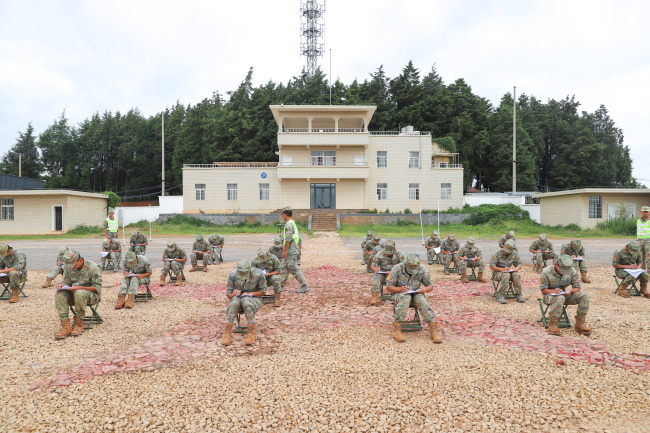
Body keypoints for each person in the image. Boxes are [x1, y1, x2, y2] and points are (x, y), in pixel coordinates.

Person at [386, 253, 442, 344]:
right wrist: (400, 289)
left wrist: (424, 289)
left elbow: (430, 286)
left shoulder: (422, 269)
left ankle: (433, 329)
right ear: (405, 264)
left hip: (416, 294)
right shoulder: (397, 269)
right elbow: (388, 287)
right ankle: (397, 329)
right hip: (399, 295)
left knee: (420, 299)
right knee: (406, 297)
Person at [54, 250, 102, 339]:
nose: (72, 268)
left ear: (80, 260)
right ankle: (66, 326)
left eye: (73, 265)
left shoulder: (93, 267)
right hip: (75, 294)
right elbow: (67, 283)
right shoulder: (69, 268)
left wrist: (78, 288)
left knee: (79, 293)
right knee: (59, 294)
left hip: (92, 296)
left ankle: (79, 324)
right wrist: (62, 286)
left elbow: (97, 287)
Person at [540, 254, 591, 336]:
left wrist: (570, 291)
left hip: (565, 295)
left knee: (584, 296)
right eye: (562, 269)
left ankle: (580, 323)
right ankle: (553, 324)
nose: (564, 272)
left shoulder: (572, 271)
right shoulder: (546, 271)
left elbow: (577, 287)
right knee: (559, 298)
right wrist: (553, 291)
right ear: (556, 265)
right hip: (550, 296)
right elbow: (543, 291)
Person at [221, 260, 267, 346]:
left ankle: (251, 331)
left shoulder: (258, 274)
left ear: (250, 269)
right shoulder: (233, 275)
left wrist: (249, 294)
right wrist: (234, 294)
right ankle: (227, 331)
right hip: (238, 298)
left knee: (246, 301)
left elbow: (263, 292)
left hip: (254, 298)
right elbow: (229, 295)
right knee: (234, 302)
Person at [279, 209, 310, 293]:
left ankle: (304, 285)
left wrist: (284, 251)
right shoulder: (292, 222)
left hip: (291, 250)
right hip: (292, 249)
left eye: (283, 215)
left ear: (285, 215)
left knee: (293, 267)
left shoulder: (289, 224)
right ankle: (280, 285)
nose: (282, 216)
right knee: (284, 267)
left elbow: (288, 239)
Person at [370, 240, 404, 306]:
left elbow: (404, 267)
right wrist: (376, 270)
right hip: (384, 275)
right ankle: (374, 297)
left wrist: (393, 272)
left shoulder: (399, 255)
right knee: (376, 276)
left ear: (394, 249)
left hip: (396, 276)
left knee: (404, 277)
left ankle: (400, 296)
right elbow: (373, 265)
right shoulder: (380, 254)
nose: (388, 254)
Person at [490, 239, 524, 304]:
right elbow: (492, 266)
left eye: (509, 251)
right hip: (497, 273)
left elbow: (519, 264)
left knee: (516, 274)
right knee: (506, 275)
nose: (507, 252)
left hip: (509, 272)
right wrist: (502, 269)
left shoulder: (514, 254)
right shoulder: (496, 253)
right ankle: (501, 294)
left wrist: (517, 268)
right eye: (506, 250)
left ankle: (518, 294)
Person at [638, 206, 650, 270]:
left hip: (648, 242)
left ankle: (649, 273)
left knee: (649, 258)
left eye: (646, 212)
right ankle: (641, 272)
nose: (645, 213)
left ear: (649, 212)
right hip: (640, 241)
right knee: (640, 258)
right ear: (641, 212)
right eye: (644, 212)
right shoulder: (638, 221)